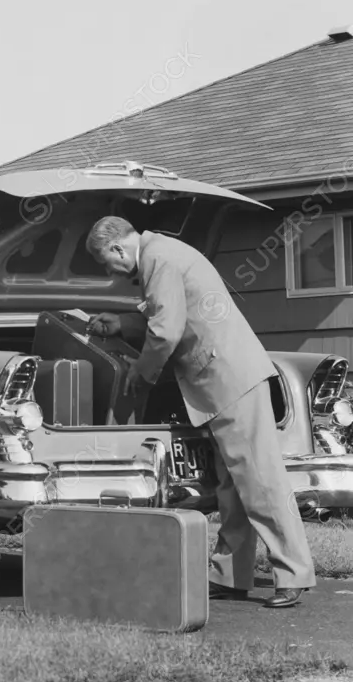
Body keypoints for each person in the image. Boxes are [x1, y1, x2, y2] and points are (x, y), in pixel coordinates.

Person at [84, 216, 315, 608]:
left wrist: (141, 374)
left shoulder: (159, 260)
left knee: (260, 482)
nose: (110, 271)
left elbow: (166, 331)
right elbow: (173, 315)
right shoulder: (164, 254)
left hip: (229, 382)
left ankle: (294, 573)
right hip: (225, 382)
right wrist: (122, 323)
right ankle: (230, 575)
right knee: (233, 487)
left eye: (107, 261)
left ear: (118, 248)